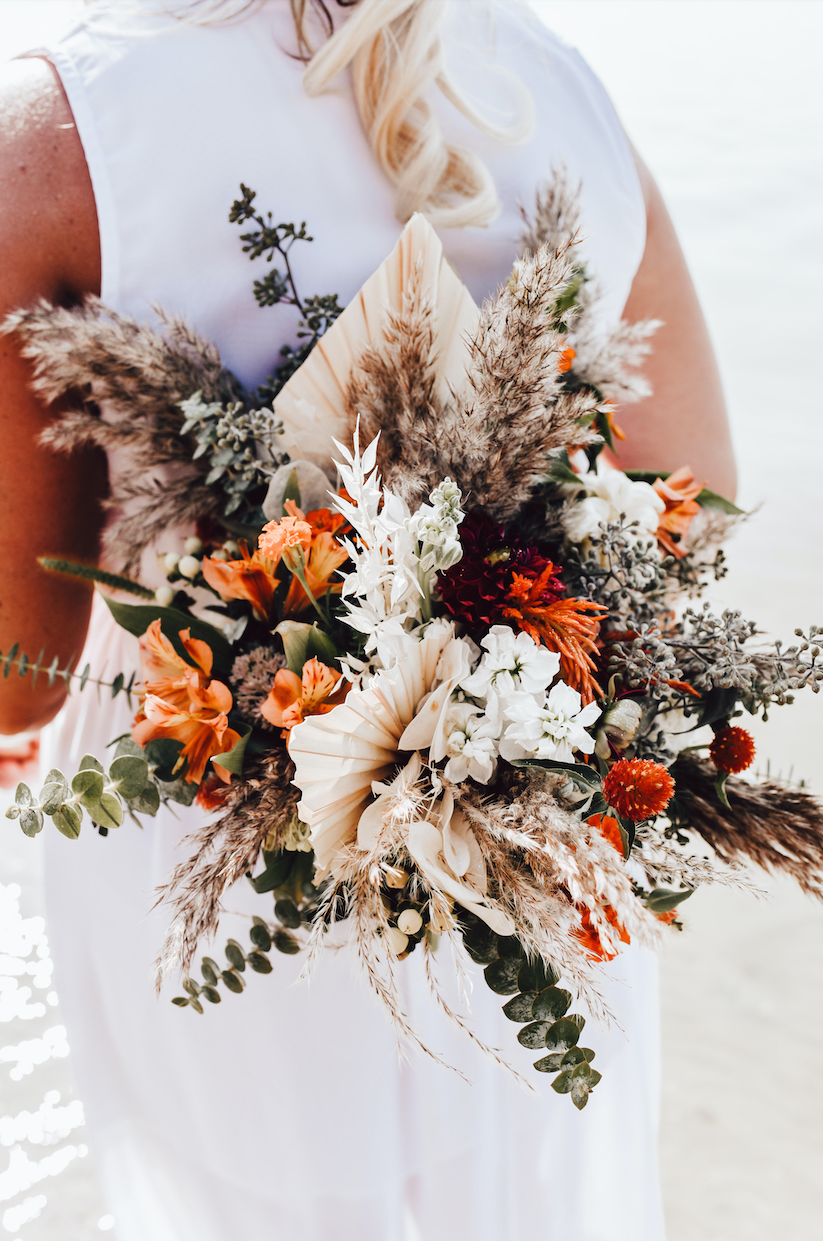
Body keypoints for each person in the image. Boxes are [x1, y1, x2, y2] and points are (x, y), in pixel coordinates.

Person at [0, 2, 736, 1238]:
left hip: (227, 883)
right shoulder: (562, 90)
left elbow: (16, 677)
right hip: (531, 870)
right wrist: (496, 651)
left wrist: (316, 625)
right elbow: (694, 504)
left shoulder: (60, 140)